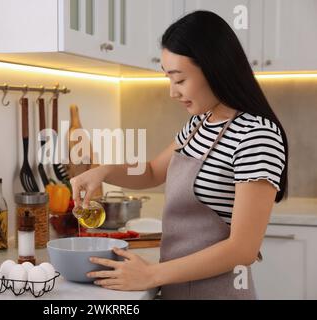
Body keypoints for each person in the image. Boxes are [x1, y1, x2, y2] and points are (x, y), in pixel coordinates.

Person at [69, 10, 288, 300]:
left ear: (215, 69)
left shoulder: (256, 136)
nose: (172, 92)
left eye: (180, 79)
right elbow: (151, 172)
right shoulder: (199, 124)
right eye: (168, 78)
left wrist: (152, 274)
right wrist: (104, 171)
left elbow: (243, 250)